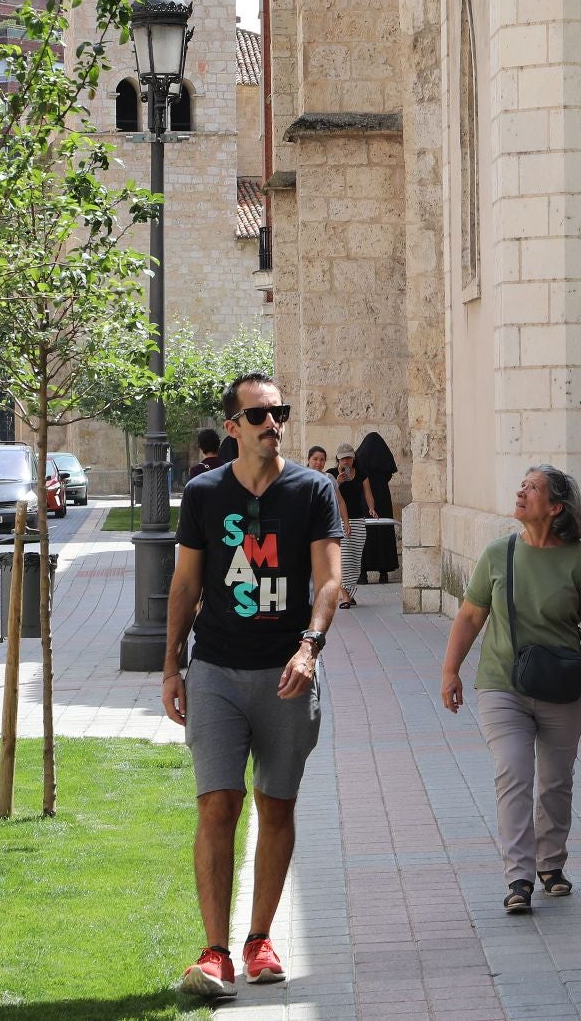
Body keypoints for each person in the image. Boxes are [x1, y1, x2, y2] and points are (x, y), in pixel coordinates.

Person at [164, 372, 341, 999]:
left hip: (287, 673)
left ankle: (259, 939)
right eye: (260, 416)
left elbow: (327, 579)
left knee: (277, 804)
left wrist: (309, 647)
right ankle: (214, 953)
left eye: (281, 413)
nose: (274, 425)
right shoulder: (204, 493)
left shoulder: (313, 490)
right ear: (234, 426)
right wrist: (170, 667)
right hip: (214, 669)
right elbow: (186, 585)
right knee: (218, 803)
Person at [440, 465, 581, 916]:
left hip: (563, 687)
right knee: (514, 773)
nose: (521, 491)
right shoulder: (498, 554)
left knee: (555, 781)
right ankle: (518, 877)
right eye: (522, 484)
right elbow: (470, 617)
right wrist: (451, 670)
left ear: (555, 507)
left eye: (532, 488)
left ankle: (551, 864)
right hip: (503, 683)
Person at [353, 431, 401, 585]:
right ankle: (383, 573)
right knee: (383, 533)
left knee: (364, 535)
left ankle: (363, 574)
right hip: (383, 500)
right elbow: (389, 474)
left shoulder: (360, 460)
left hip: (362, 501)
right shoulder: (383, 461)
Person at [333, 444, 373, 609]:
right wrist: (337, 483)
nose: (347, 461)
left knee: (355, 561)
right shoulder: (332, 473)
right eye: (343, 459)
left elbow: (368, 493)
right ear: (338, 459)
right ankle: (345, 597)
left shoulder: (361, 474)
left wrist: (371, 508)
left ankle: (348, 592)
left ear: (353, 458)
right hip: (339, 520)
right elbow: (328, 495)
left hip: (358, 519)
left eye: (349, 458)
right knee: (342, 560)